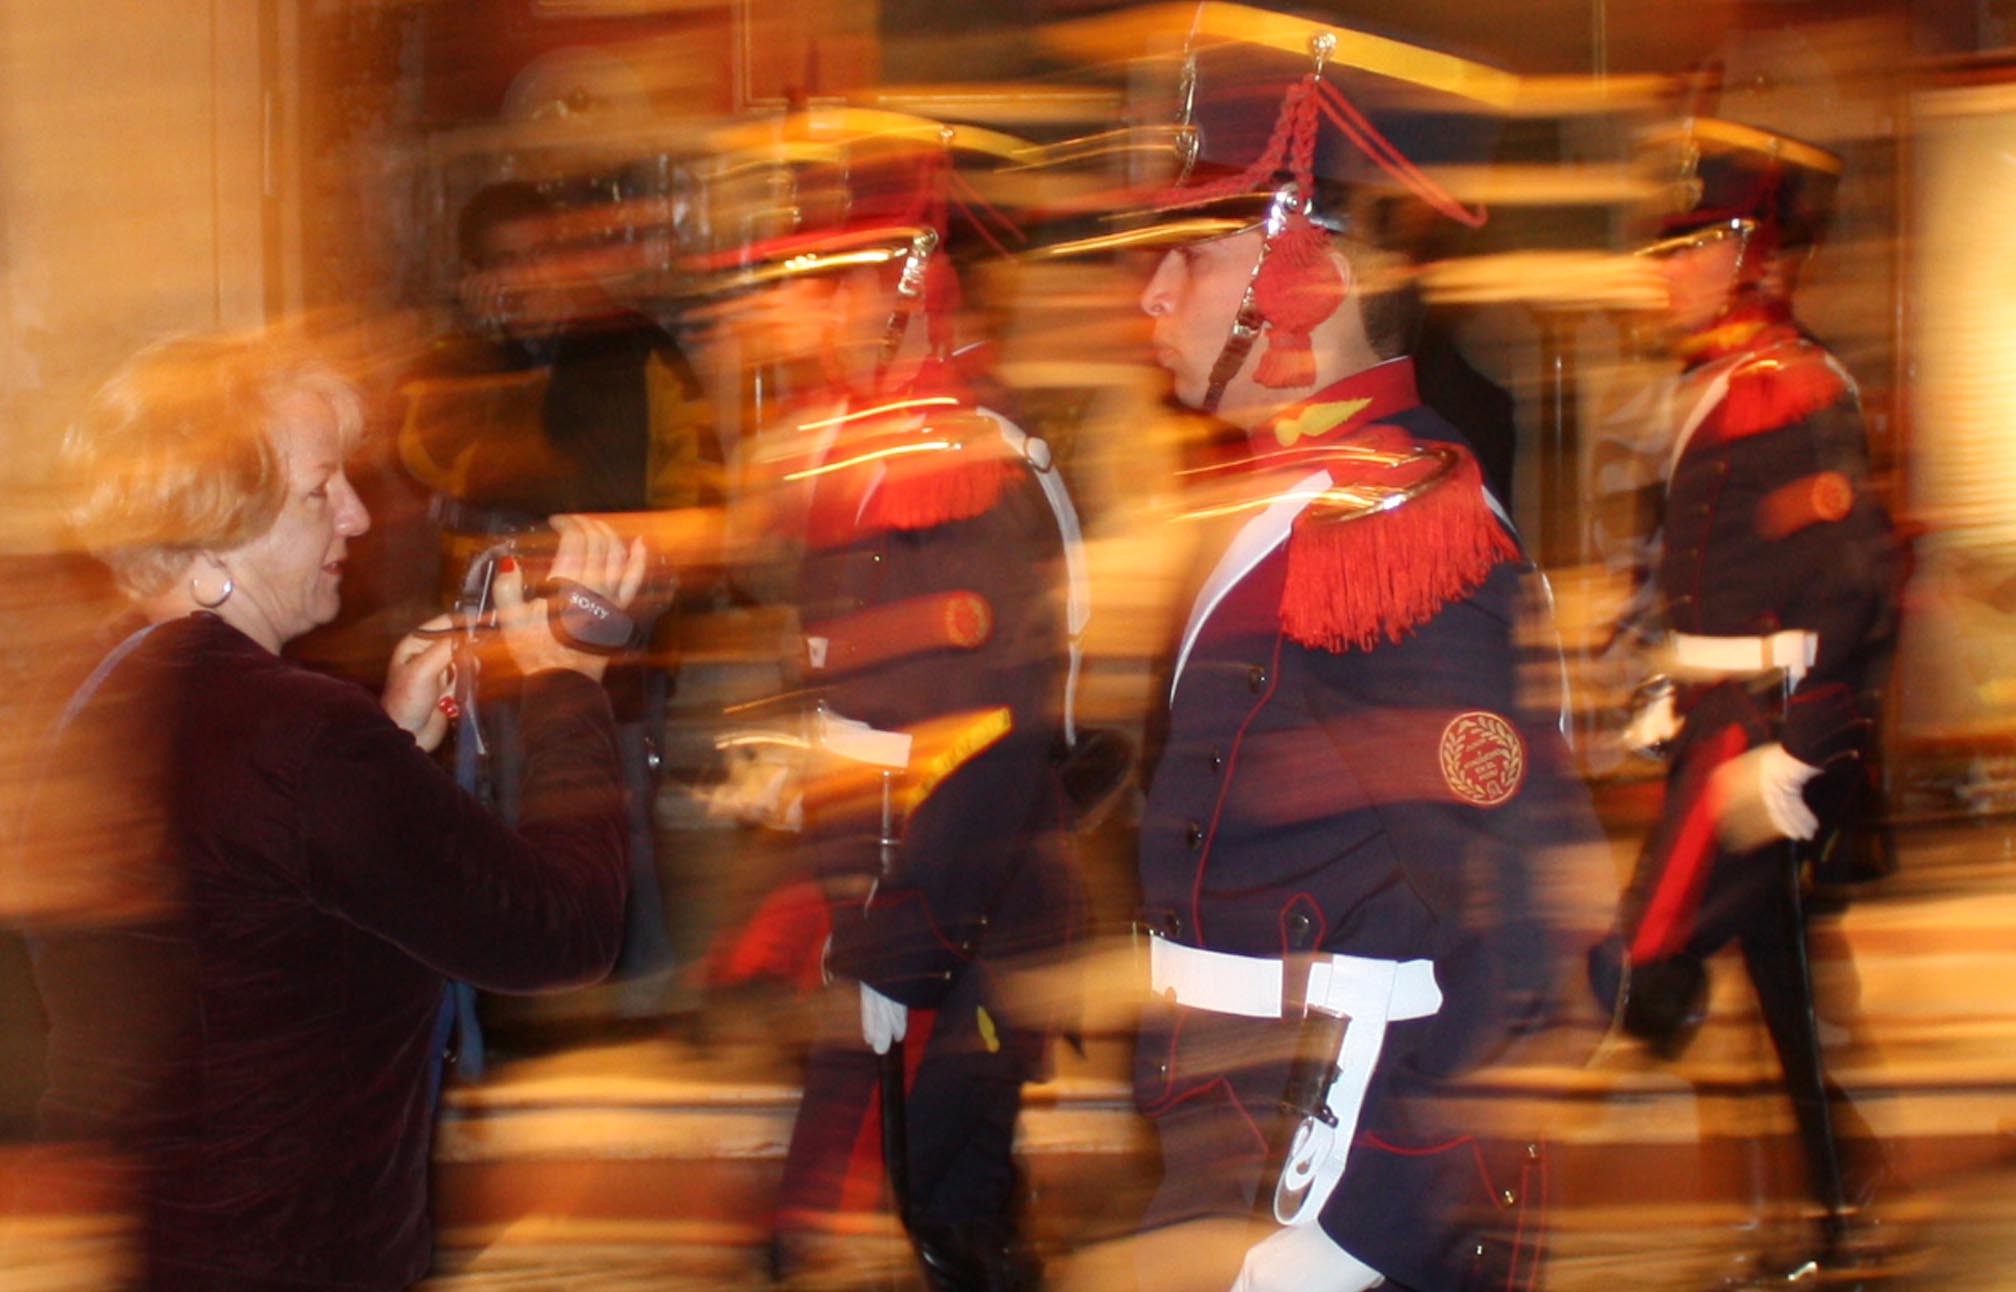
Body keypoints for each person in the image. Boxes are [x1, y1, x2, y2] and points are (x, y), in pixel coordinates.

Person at [1109, 28, 1598, 1292]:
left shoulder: (1396, 526)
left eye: (1191, 254)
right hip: (1234, 1120)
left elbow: (1531, 922)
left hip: (1330, 1165)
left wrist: (1364, 1227)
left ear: (1298, 272)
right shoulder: (1287, 498)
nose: (1150, 297)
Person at [21, 330, 645, 1290]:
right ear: (213, 530)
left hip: (166, 1238)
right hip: (296, 1253)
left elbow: (246, 917)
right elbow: (566, 932)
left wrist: (389, 746)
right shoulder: (297, 736)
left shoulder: (101, 694)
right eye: (319, 491)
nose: (356, 516)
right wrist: (571, 686)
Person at [701, 129, 1088, 1292]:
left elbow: (995, 712)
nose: (802, 311)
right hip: (871, 855)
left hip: (954, 873)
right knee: (872, 1128)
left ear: (906, 287)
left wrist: (901, 906)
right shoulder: (850, 443)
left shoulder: (968, 457)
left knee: (953, 1174)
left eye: (833, 282)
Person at [1589, 117, 1901, 1282]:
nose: (1663, 272)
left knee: (1652, 955)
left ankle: (1828, 1209)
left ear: (1743, 251)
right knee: (1784, 994)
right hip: (1718, 722)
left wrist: (1805, 748)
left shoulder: (1790, 384)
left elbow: (1854, 586)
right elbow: (1714, 567)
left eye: (1687, 248)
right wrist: (1671, 684)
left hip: (1762, 740)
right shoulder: (1721, 380)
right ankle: (1835, 1207)